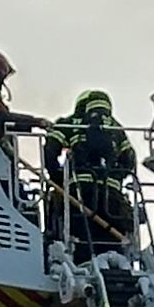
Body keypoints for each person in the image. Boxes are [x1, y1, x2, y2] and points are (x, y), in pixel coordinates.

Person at [47, 88, 140, 255]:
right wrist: (116, 177)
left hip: (78, 195)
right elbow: (129, 159)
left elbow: (50, 151)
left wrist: (58, 178)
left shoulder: (70, 122)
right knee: (111, 243)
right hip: (111, 198)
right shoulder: (115, 127)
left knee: (80, 242)